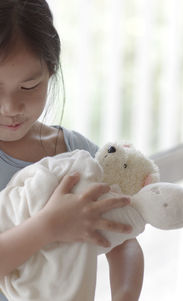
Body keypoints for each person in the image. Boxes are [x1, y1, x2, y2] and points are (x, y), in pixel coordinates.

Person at [0, 1, 144, 300]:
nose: (10, 108)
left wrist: (126, 293)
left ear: (51, 71)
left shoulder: (75, 151)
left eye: (28, 87)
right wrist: (47, 227)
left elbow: (123, 235)